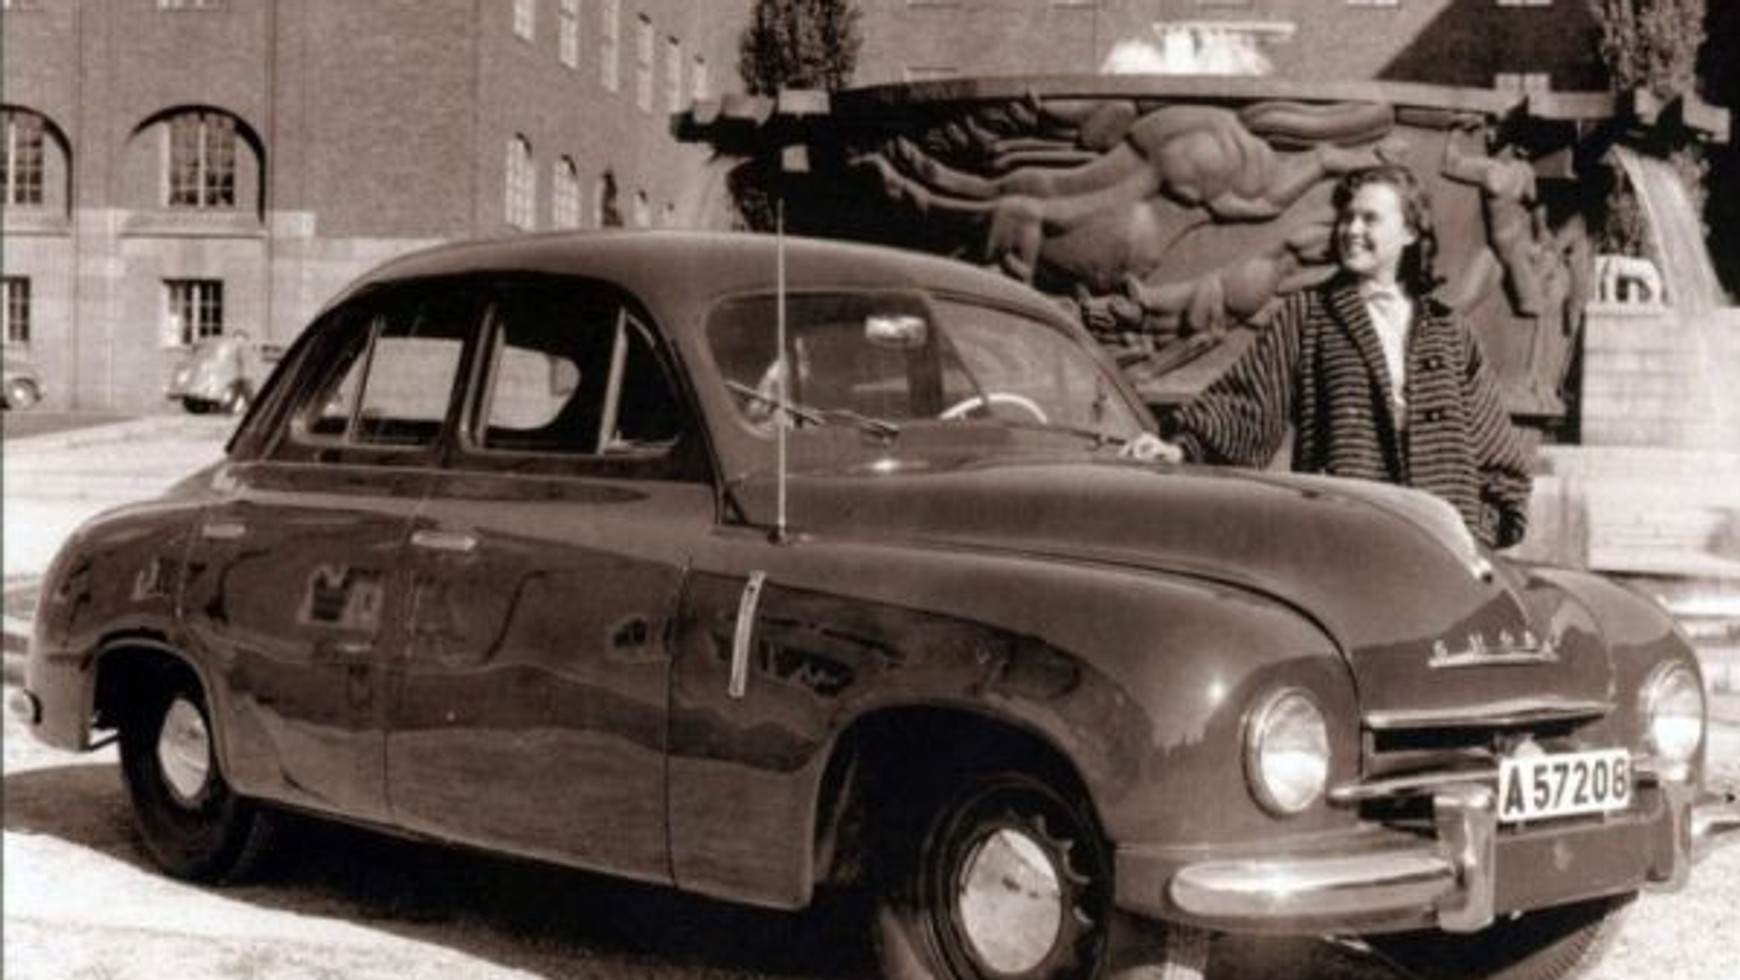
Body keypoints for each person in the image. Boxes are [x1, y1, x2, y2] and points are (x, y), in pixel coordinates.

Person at [1124, 163, 1533, 549]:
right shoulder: (1310, 313)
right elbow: (1248, 404)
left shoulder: (1449, 329)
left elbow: (1496, 453)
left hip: (1441, 552)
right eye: (1346, 218)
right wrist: (1181, 447)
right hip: (1346, 538)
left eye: (1370, 219)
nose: (1351, 230)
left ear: (1410, 231)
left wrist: (1474, 528)